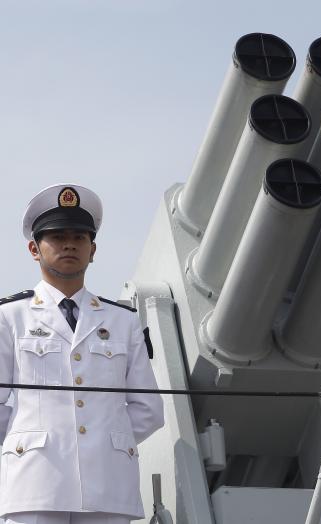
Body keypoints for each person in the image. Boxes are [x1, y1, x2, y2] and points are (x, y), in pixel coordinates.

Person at [0, 184, 165, 524]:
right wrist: (25, 444)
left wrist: (105, 443)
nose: (69, 243)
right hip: (34, 481)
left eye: (79, 236)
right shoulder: (10, 316)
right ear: (34, 248)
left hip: (108, 485)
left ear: (93, 250)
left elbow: (148, 408)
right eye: (57, 236)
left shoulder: (123, 321)